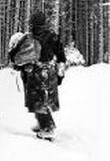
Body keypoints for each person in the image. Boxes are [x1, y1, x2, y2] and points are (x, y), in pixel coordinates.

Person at [9, 12, 66, 140]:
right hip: (48, 71)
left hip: (34, 72)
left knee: (38, 101)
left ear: (32, 23)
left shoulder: (28, 37)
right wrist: (60, 73)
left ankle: (48, 128)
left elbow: (19, 57)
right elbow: (61, 56)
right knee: (43, 99)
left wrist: (20, 67)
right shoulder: (53, 37)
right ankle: (42, 122)